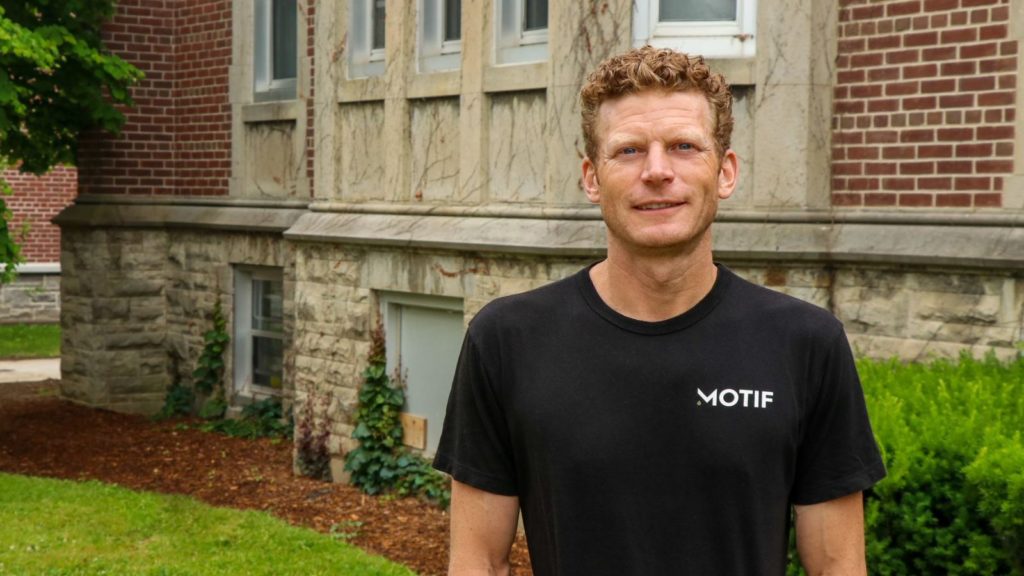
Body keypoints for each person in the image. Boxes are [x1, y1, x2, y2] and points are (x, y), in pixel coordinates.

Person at [433, 46, 886, 576]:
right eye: (628, 151)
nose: (656, 171)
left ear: (725, 172)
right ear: (592, 177)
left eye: (684, 146)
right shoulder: (508, 340)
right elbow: (478, 563)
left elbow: (838, 567)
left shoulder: (805, 343)